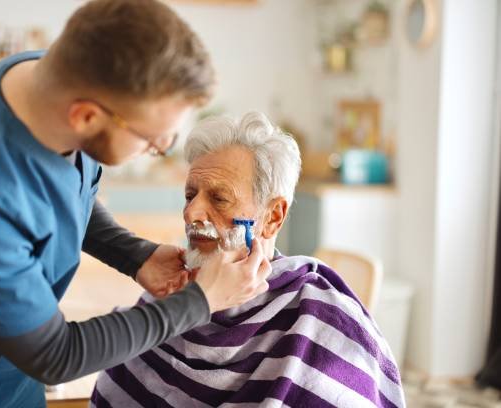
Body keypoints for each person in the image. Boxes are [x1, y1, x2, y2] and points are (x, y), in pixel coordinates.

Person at [0, 1, 272, 406]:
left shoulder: (50, 83)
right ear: (86, 117)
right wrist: (200, 301)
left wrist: (135, 255)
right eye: (152, 140)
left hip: (12, 356)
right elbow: (56, 355)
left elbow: (66, 192)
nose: (159, 148)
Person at [91, 112, 406, 408]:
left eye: (219, 198)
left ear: (273, 216)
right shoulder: (167, 300)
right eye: (190, 195)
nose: (191, 213)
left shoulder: (321, 318)